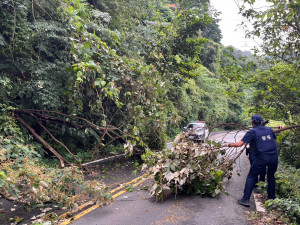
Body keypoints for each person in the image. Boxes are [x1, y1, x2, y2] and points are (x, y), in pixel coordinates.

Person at [226, 115, 278, 207]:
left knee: (252, 176)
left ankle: (245, 199)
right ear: (261, 122)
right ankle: (272, 199)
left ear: (252, 123)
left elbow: (239, 144)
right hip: (274, 157)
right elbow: (273, 138)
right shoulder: (269, 129)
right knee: (271, 177)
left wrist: (229, 144)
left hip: (261, 157)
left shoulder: (252, 132)